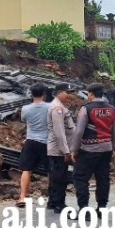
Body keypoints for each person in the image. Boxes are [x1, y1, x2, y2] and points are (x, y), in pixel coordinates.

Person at [70, 82, 115, 219]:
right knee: (103, 178)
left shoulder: (87, 109)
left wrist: (74, 149)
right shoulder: (112, 109)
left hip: (89, 150)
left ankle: (84, 210)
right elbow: (113, 130)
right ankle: (101, 208)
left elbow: (79, 131)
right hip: (106, 149)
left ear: (90, 93)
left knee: (80, 177)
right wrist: (112, 146)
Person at [16, 84, 50, 207]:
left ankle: (22, 198)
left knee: (26, 170)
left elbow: (24, 120)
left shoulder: (25, 108)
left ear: (31, 94)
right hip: (46, 142)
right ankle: (53, 197)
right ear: (44, 94)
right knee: (50, 170)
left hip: (30, 141)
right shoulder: (50, 107)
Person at [46, 83, 76, 213]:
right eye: (67, 93)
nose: (69, 95)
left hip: (58, 149)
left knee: (55, 176)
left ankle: (52, 202)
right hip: (59, 150)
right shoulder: (57, 108)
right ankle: (59, 204)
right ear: (59, 92)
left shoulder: (59, 106)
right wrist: (66, 151)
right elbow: (59, 132)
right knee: (60, 177)